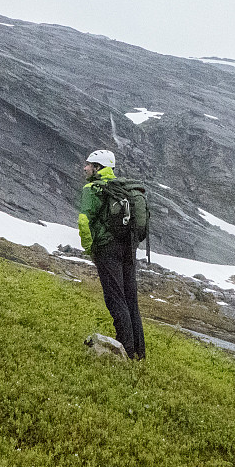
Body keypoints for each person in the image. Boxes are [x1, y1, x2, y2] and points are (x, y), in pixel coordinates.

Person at [78, 149, 146, 360]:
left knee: (115, 298)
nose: (85, 167)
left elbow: (83, 222)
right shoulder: (121, 189)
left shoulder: (93, 189)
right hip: (127, 248)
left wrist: (90, 249)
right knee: (130, 299)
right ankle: (139, 352)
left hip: (107, 249)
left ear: (98, 168)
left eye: (89, 164)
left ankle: (124, 349)